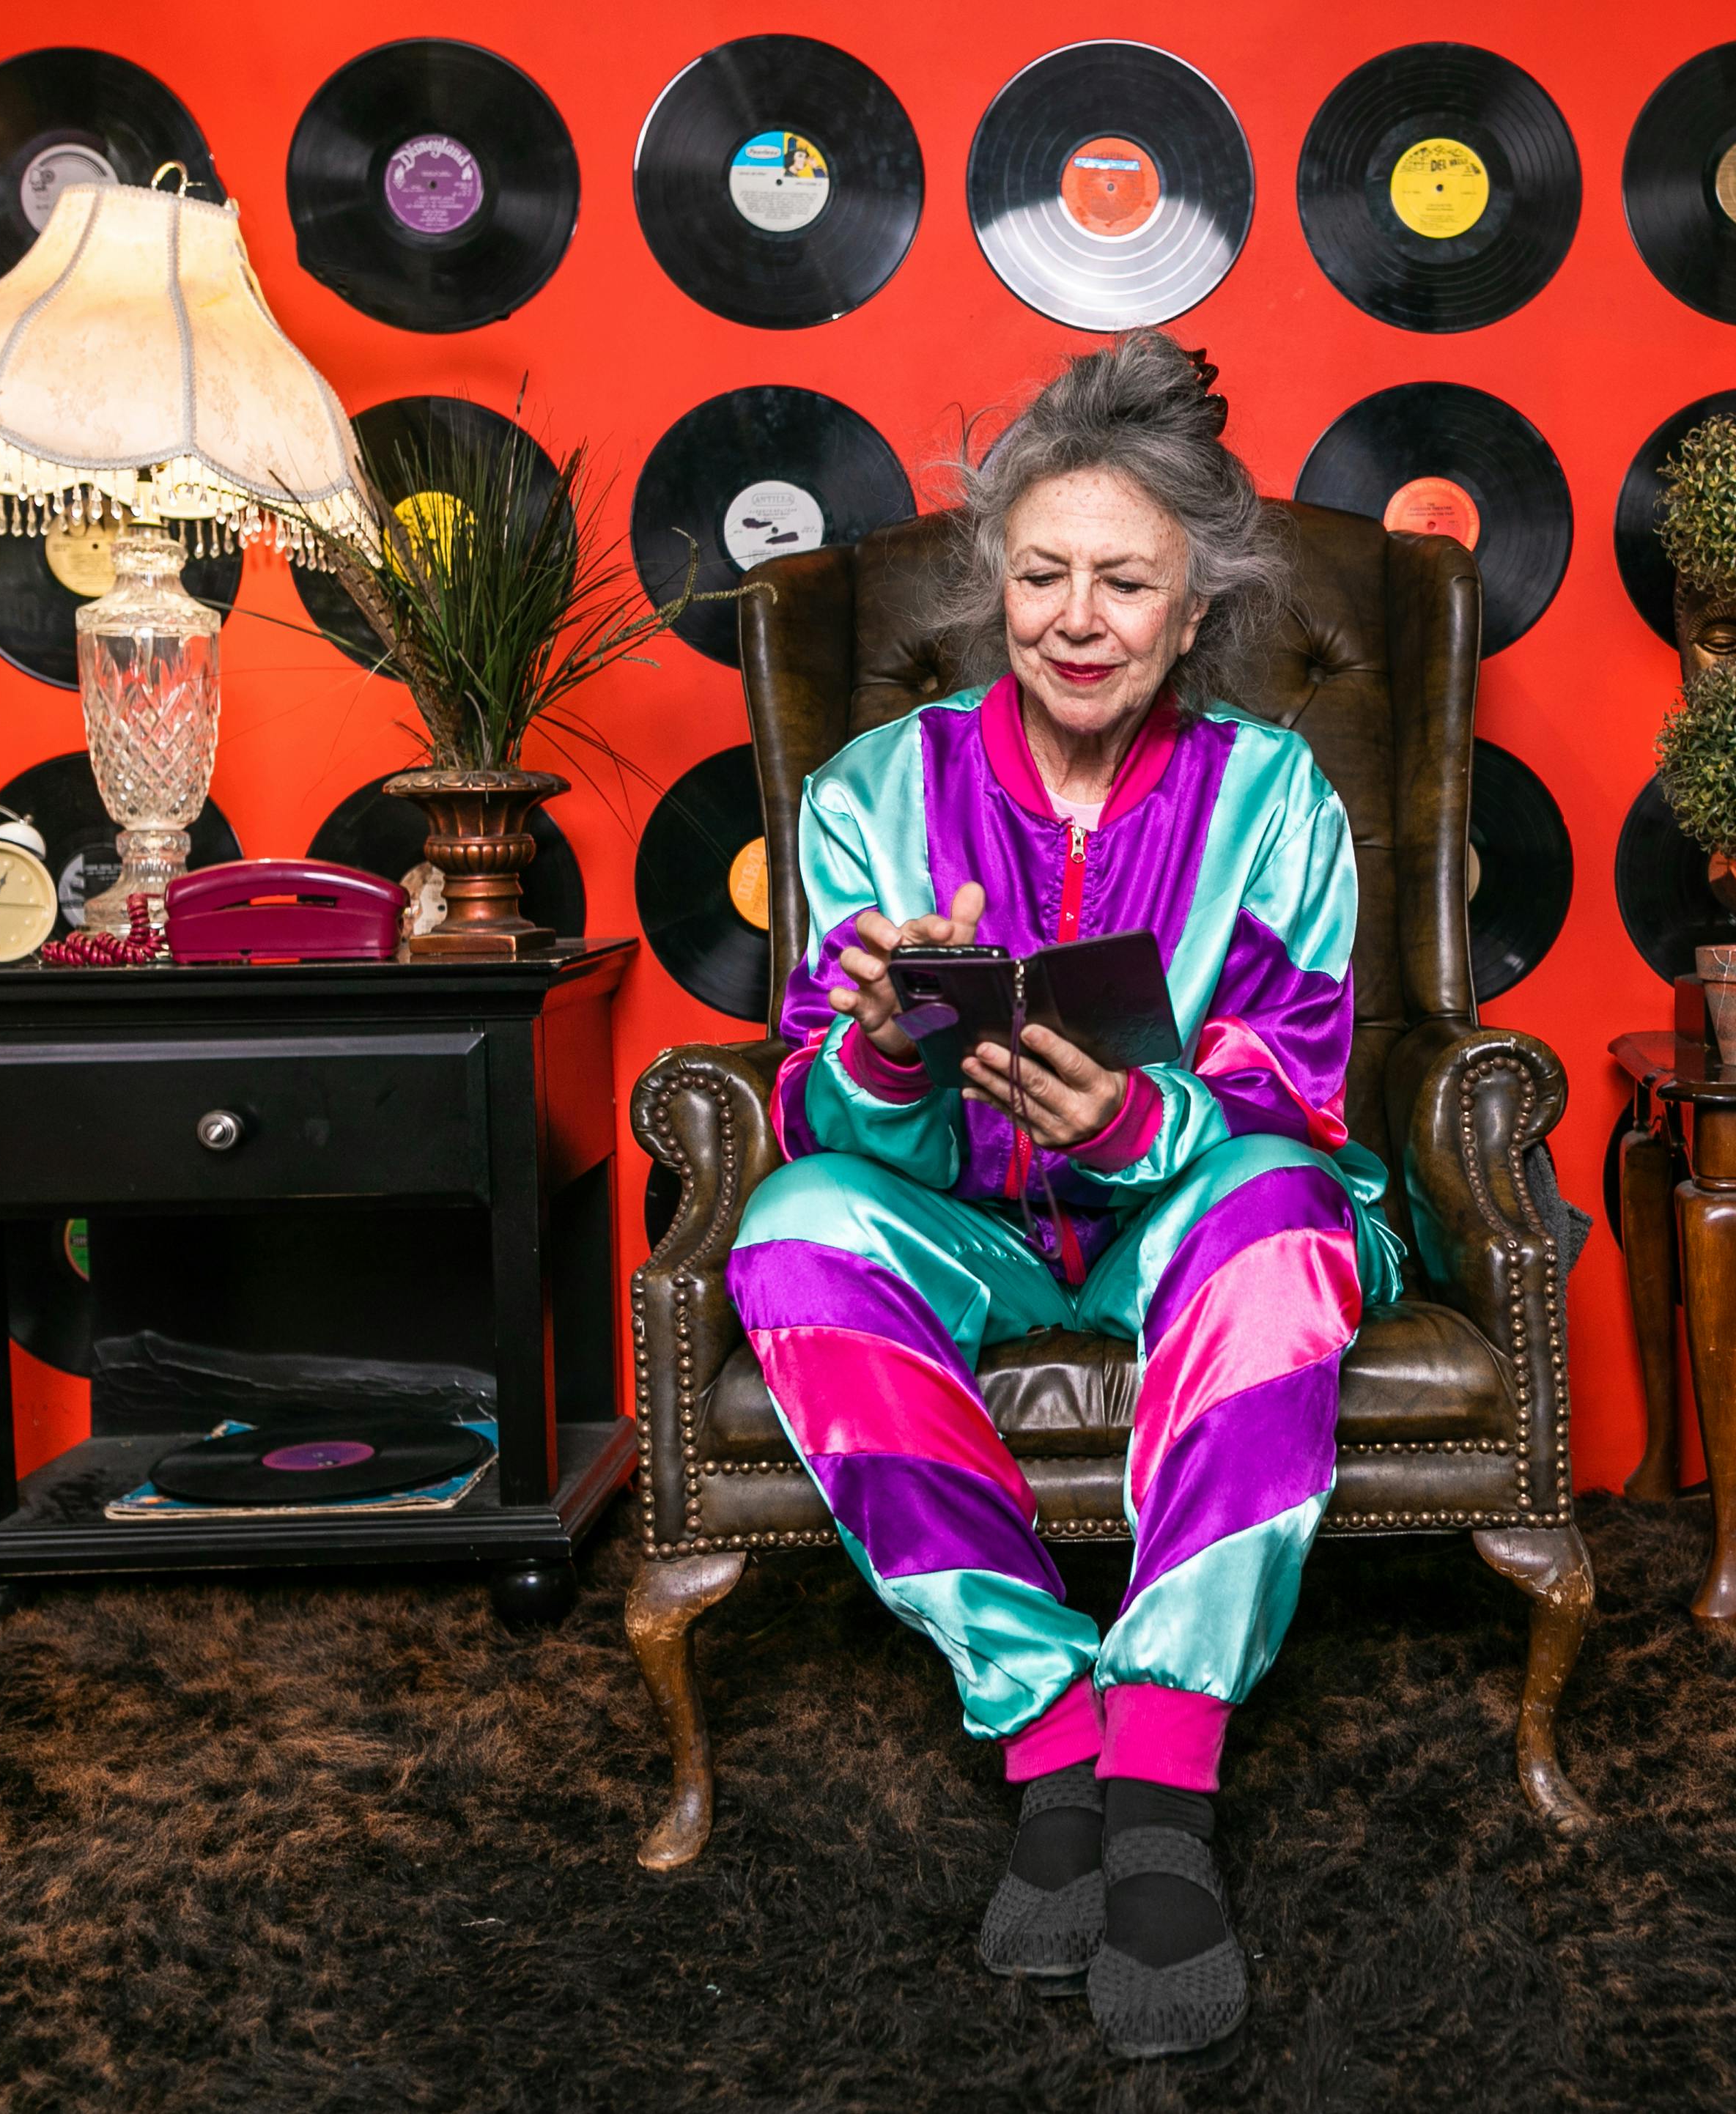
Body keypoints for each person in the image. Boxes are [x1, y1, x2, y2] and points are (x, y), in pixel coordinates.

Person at [723, 333, 1389, 2061]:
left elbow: (1296, 1091)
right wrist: (880, 1058)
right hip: (970, 1235)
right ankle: (1048, 1733)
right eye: (1039, 576)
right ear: (993, 585)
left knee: (1279, 1216)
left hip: (1187, 1221)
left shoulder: (1278, 797)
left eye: (1122, 583)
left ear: (1190, 610)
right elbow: (814, 1106)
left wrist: (1124, 1121)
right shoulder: (871, 797)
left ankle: (1162, 1770)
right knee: (789, 1231)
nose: (1075, 620)